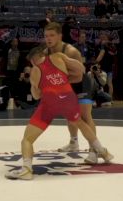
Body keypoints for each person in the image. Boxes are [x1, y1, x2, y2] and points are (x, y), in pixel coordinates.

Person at [5, 46, 113, 180]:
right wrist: (65, 78)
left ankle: (26, 169)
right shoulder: (58, 57)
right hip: (68, 97)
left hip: (49, 103)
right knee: (80, 122)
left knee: (27, 139)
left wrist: (41, 84)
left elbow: (36, 96)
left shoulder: (35, 70)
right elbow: (80, 69)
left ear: (33, 60)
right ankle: (103, 151)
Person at [44, 22, 99, 164]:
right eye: (46, 36)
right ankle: (74, 142)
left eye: (52, 35)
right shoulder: (46, 52)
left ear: (60, 36)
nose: (48, 38)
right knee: (70, 115)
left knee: (85, 117)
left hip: (81, 85)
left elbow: (79, 76)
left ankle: (94, 150)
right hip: (66, 85)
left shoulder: (71, 52)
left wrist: (58, 81)